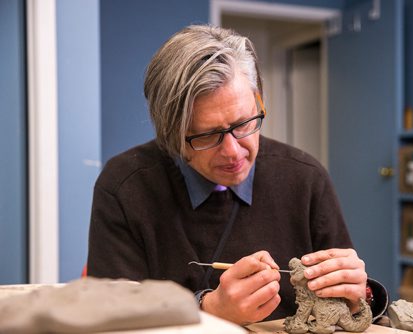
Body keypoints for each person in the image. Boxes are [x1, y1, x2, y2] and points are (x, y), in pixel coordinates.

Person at [87, 24, 386, 325]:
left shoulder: (305, 179)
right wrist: (207, 311)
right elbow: (111, 318)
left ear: (258, 101)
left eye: (243, 123)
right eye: (206, 135)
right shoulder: (125, 186)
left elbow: (348, 306)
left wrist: (362, 293)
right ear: (171, 134)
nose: (232, 151)